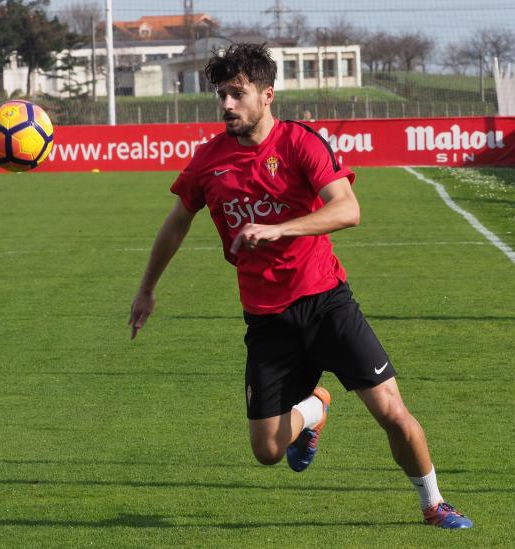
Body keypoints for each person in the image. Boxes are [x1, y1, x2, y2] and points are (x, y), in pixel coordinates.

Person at [128, 43, 472, 529]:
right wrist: (147, 289)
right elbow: (176, 223)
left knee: (393, 414)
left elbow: (347, 208)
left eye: (237, 94)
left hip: (327, 303)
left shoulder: (300, 143)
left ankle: (434, 504)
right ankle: (315, 408)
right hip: (267, 319)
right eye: (221, 95)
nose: (226, 105)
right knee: (267, 451)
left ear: (267, 95)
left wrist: (280, 228)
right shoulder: (209, 160)